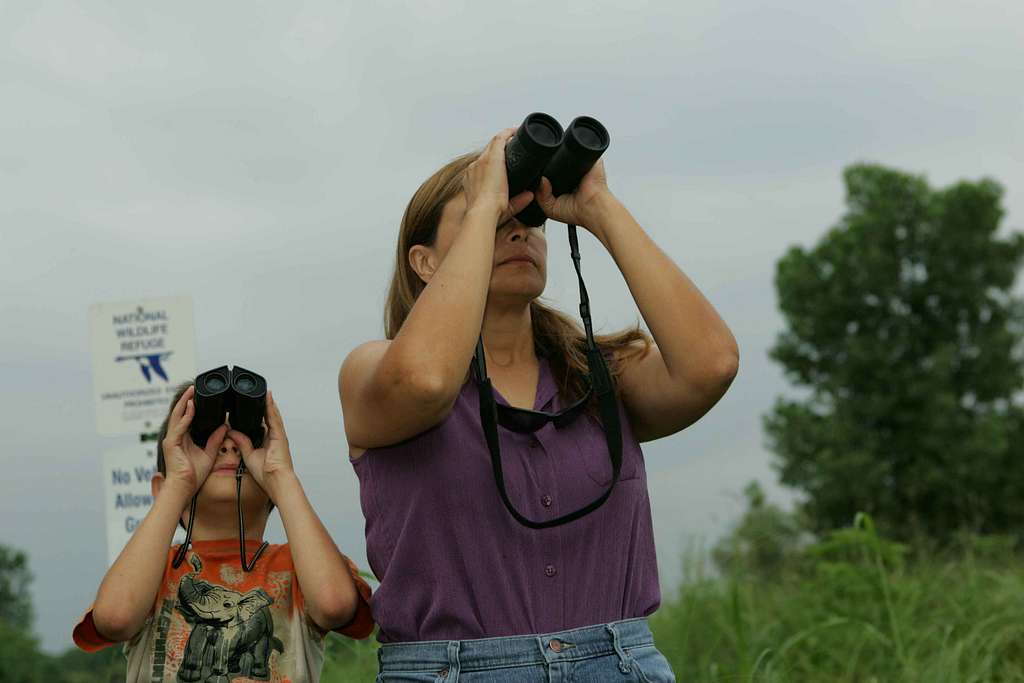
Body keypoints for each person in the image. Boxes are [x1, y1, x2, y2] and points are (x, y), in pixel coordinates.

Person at [339, 127, 739, 681]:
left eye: (530, 221)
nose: (518, 232)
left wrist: (597, 206)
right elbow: (427, 381)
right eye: (496, 220)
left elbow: (711, 365)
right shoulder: (372, 373)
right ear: (425, 263)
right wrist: (486, 200)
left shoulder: (599, 377)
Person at [74, 382, 374, 682]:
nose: (228, 446)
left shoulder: (300, 568)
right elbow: (116, 618)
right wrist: (178, 483)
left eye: (247, 439)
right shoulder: (151, 574)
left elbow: (334, 605)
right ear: (161, 488)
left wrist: (282, 477)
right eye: (204, 439)